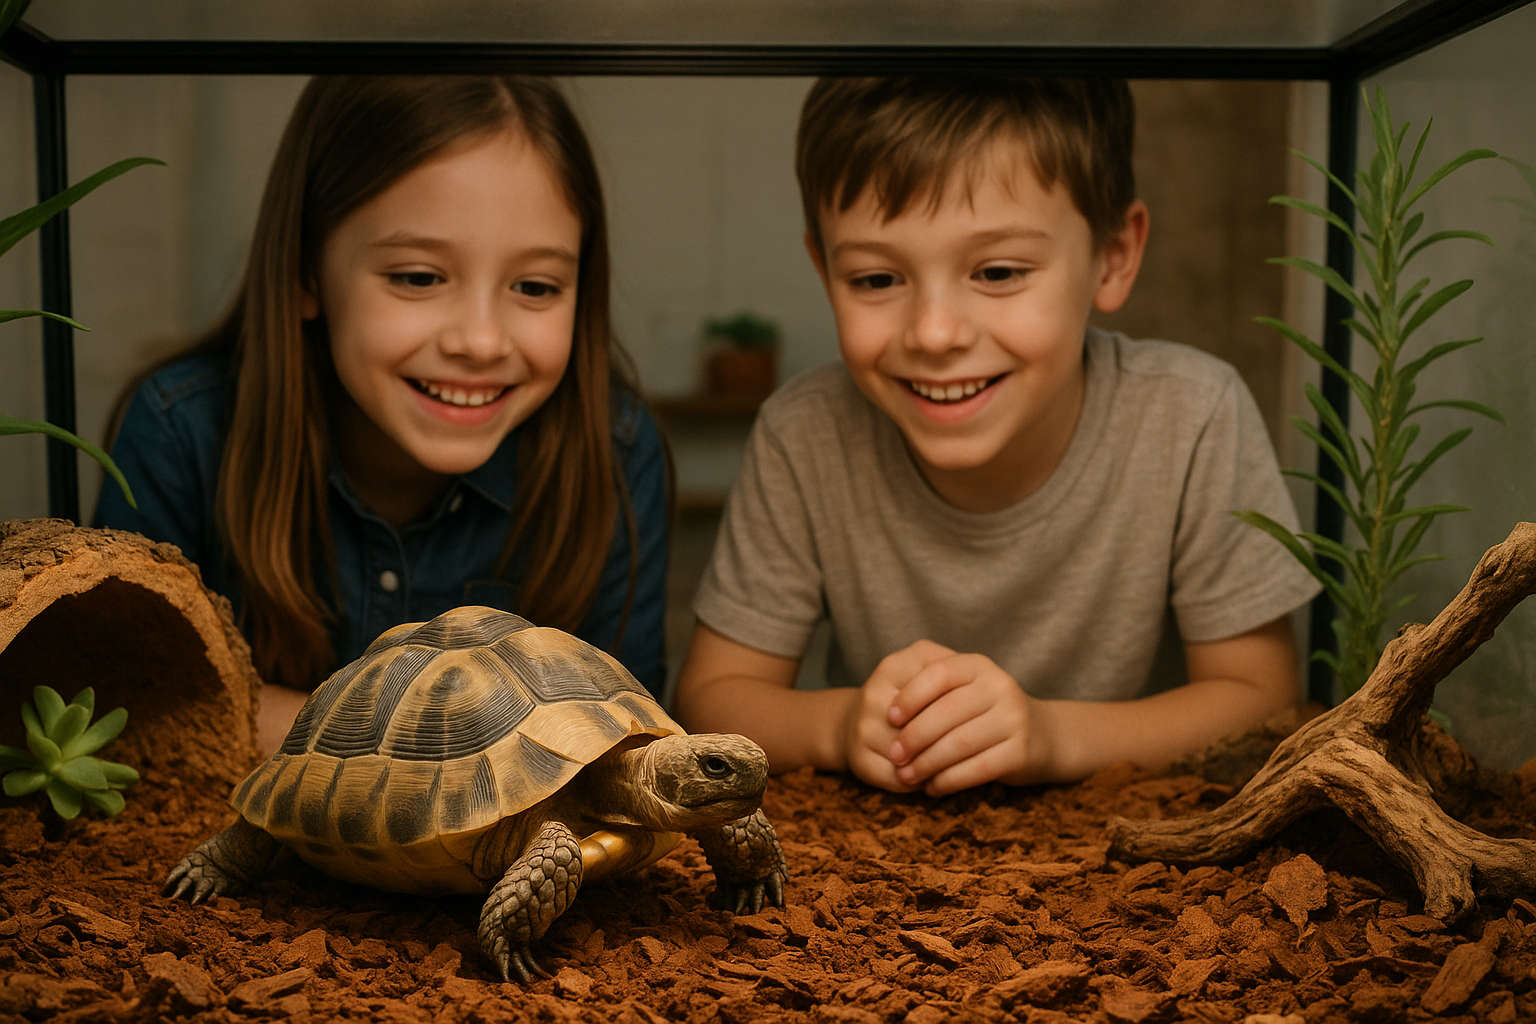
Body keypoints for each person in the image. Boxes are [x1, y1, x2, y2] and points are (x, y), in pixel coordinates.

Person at [673, 76, 1321, 797]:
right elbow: (710, 698)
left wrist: (1052, 737)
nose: (934, 333)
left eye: (999, 271)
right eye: (877, 279)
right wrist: (841, 725)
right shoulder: (805, 433)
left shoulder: (1192, 414)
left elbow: (1263, 700)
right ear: (825, 270)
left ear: (1113, 256)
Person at [96, 76, 668, 754]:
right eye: (418, 278)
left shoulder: (613, 453)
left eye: (536, 286)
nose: (481, 341)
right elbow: (132, 706)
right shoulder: (180, 433)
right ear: (307, 271)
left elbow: (629, 739)